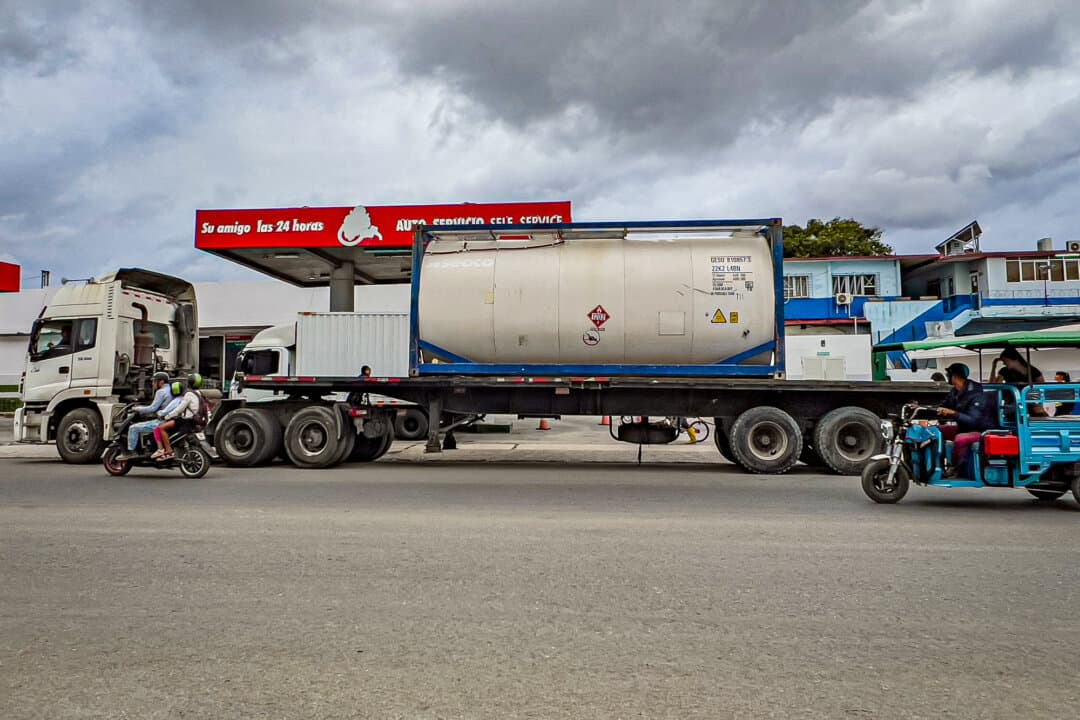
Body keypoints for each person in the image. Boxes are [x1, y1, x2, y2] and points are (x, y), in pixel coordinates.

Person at [937, 362, 995, 478]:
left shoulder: (977, 394)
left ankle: (955, 467)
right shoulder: (955, 392)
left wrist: (953, 413)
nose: (948, 377)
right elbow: (942, 406)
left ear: (954, 376)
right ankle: (937, 465)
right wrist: (921, 409)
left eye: (948, 375)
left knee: (960, 439)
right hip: (964, 428)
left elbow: (973, 420)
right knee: (936, 430)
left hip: (981, 430)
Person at [154, 376, 204, 460]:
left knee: (161, 428)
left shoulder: (189, 394)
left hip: (185, 421)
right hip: (194, 421)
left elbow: (179, 409)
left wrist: (167, 416)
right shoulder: (199, 393)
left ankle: (168, 451)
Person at [991, 347, 1047, 416]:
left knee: (1038, 409)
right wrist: (994, 367)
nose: (1004, 363)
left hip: (1030, 399)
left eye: (1005, 360)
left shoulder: (1033, 371)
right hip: (1012, 399)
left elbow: (1042, 386)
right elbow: (994, 384)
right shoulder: (1004, 371)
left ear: (1014, 359)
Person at [126, 372, 172, 454]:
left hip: (161, 422)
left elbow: (152, 408)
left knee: (133, 428)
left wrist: (137, 409)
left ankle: (131, 452)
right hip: (170, 420)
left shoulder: (161, 392)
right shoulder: (171, 389)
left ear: (161, 382)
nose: (153, 384)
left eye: (154, 381)